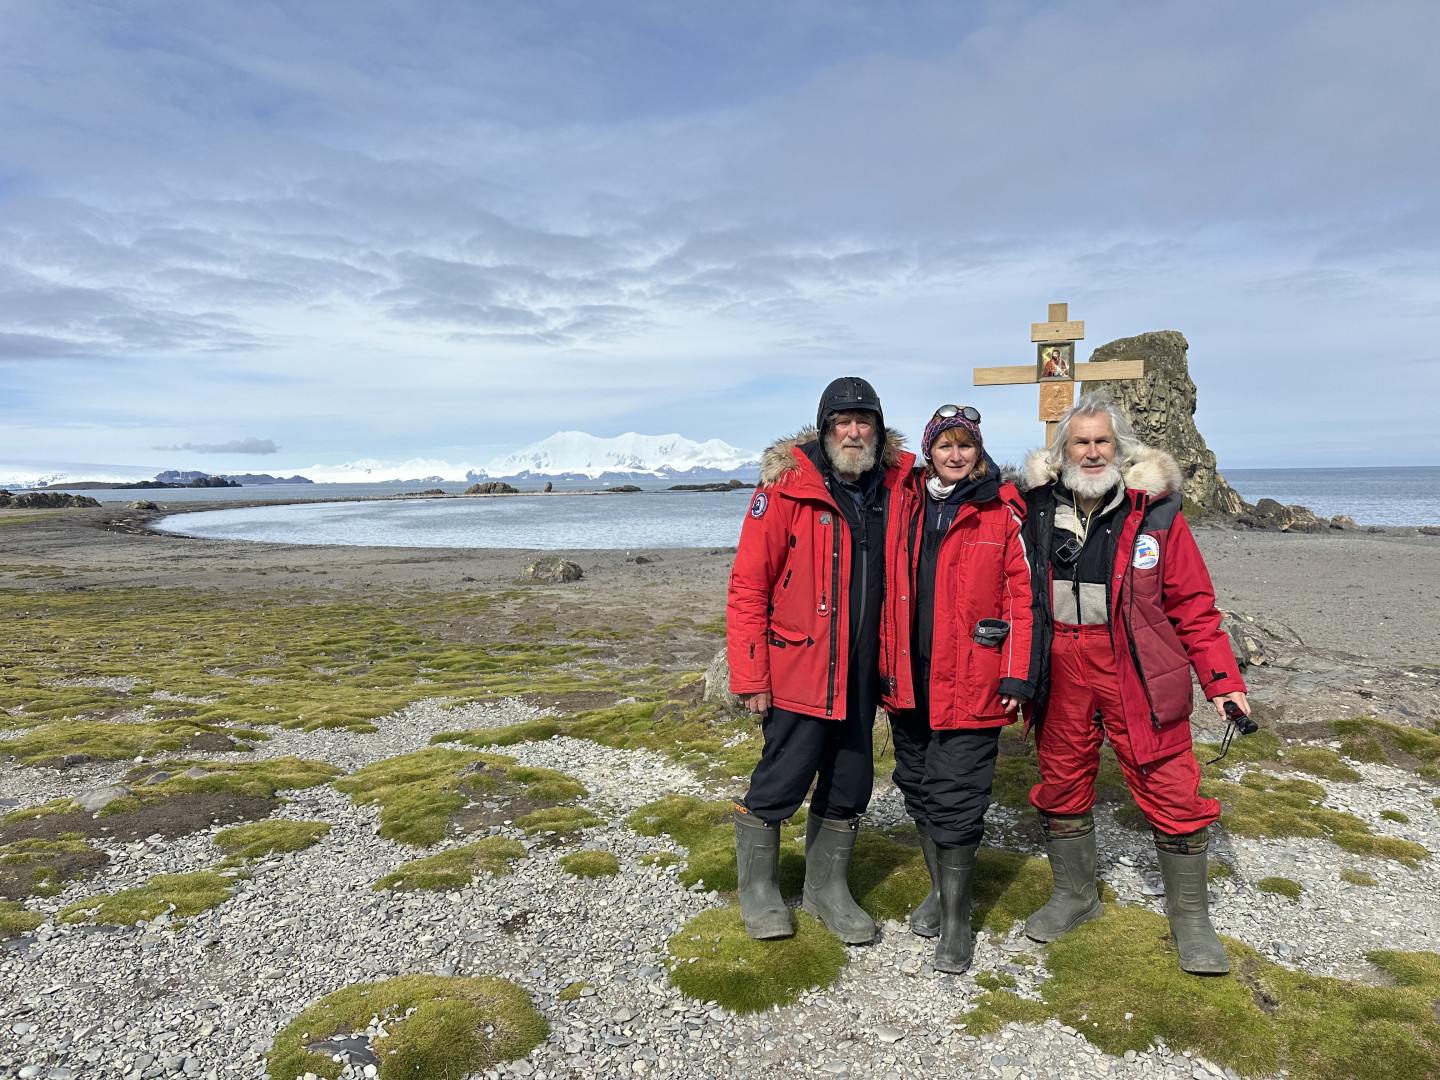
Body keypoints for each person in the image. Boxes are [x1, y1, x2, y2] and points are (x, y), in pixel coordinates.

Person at [1019, 393, 1249, 975]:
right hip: (1060, 662)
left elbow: (1194, 604)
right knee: (1061, 775)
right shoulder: (1033, 506)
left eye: (1103, 442)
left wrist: (1222, 680)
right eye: (1081, 442)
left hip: (1135, 665)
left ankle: (1191, 920)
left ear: (1119, 449)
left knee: (1169, 779)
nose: (1092, 452)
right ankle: (1076, 895)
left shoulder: (1156, 513)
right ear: (1062, 450)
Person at [726, 377, 915, 944]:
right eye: (843, 422)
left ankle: (825, 890)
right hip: (798, 668)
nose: (853, 432)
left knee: (851, 780)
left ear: (879, 432)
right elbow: (747, 586)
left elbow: (969, 480)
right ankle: (759, 890)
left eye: (864, 422)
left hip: (865, 670)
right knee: (781, 778)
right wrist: (750, 675)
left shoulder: (899, 483)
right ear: (825, 428)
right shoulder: (786, 488)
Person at [884, 405, 1034, 973]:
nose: (954, 455)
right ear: (929, 452)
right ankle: (941, 892)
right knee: (918, 787)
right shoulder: (907, 502)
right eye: (944, 446)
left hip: (974, 678)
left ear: (978, 452)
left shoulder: (1002, 509)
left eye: (964, 446)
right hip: (909, 678)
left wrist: (1018, 672)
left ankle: (957, 921)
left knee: (959, 796)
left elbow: (1024, 597)